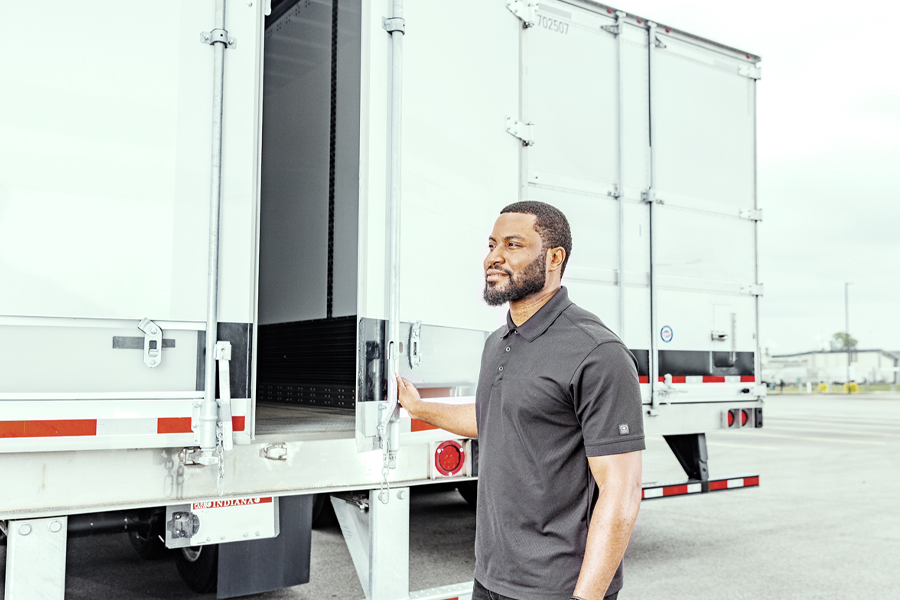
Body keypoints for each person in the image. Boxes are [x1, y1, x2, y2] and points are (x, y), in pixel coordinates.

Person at [396, 201, 644, 600]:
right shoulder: (498, 342)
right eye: (492, 244)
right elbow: (493, 419)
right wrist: (419, 406)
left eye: (513, 245)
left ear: (554, 258)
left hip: (557, 589)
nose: (494, 257)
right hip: (490, 579)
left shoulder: (598, 352)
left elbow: (622, 491)